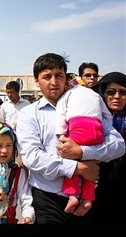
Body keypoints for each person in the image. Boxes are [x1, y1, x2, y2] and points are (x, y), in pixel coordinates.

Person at [16, 53, 125, 224]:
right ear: (36, 81)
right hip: (49, 201)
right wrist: (77, 168)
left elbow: (118, 145)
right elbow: (32, 157)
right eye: (47, 76)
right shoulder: (28, 114)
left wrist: (83, 151)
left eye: (59, 75)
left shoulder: (84, 107)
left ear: (65, 78)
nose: (54, 81)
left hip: (88, 199)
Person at [55, 73, 112, 214]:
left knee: (71, 160)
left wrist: (61, 135)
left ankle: (73, 195)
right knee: (90, 164)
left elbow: (60, 115)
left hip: (79, 128)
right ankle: (87, 198)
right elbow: (108, 115)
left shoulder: (67, 95)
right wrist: (105, 132)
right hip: (97, 130)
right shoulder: (94, 94)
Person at [91, 71, 126, 223]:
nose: (117, 96)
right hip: (96, 187)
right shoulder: (93, 118)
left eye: (123, 92)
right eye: (111, 92)